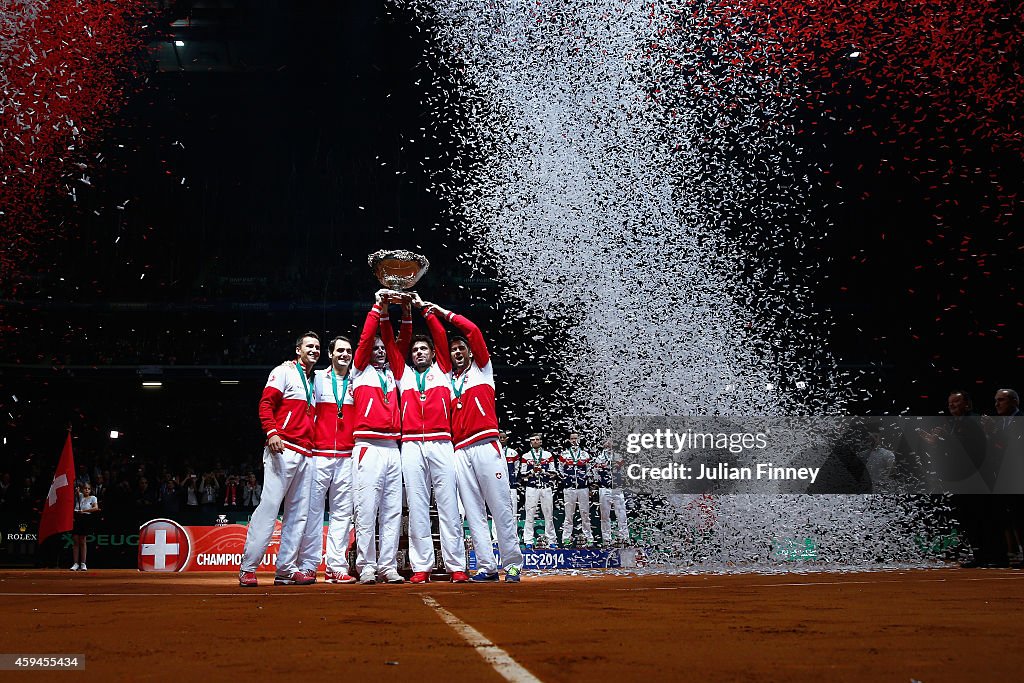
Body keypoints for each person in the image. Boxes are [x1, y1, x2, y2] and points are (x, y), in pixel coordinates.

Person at [420, 298, 523, 582]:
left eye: (461, 348)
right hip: (460, 450)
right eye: (453, 350)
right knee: (473, 511)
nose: (456, 352)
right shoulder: (447, 380)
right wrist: (427, 316)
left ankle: (512, 564)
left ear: (469, 351)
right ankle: (487, 566)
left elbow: (474, 331)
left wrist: (443, 312)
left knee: (500, 506)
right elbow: (439, 343)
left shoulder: (483, 371)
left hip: (486, 444)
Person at [382, 295, 468, 583]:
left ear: (433, 354)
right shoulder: (401, 375)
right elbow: (390, 342)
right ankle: (423, 566)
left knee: (448, 505)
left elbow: (441, 335)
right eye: (415, 349)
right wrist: (385, 310)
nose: (418, 352)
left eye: (424, 349)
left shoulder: (443, 372)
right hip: (410, 446)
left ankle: (456, 565)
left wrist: (424, 310)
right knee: (418, 505)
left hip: (441, 442)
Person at [238, 332, 320, 587]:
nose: (315, 350)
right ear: (298, 350)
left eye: (318, 347)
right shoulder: (283, 371)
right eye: (309, 346)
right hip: (282, 448)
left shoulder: (314, 381)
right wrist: (272, 432)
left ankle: (285, 569)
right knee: (269, 507)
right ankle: (248, 568)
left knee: (298, 515)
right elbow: (265, 404)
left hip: (306, 452)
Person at [350, 291, 405, 584]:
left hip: (393, 448)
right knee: (367, 508)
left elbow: (400, 343)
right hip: (368, 446)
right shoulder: (359, 372)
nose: (381, 350)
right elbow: (364, 338)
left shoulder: (392, 375)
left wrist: (397, 312)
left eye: (385, 347)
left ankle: (388, 565)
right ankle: (366, 565)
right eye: (377, 347)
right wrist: (376, 306)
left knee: (392, 510)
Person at [298, 335, 358, 584]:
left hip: (346, 456)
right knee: (312, 513)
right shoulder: (318, 378)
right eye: (340, 350)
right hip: (319, 455)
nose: (345, 354)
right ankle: (309, 565)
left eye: (348, 351)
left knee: (342, 515)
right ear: (330, 354)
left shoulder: (357, 380)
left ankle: (336, 566)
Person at [521, 433, 557, 549]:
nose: (535, 441)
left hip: (546, 487)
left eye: (537, 439)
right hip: (532, 488)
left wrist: (543, 471)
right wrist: (532, 472)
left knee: (548, 514)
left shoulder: (548, 455)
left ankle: (551, 540)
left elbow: (553, 473)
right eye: (533, 440)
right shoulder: (526, 456)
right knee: (530, 514)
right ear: (530, 442)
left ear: (541, 442)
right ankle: (528, 541)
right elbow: (522, 475)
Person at [559, 432, 595, 547]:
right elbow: (560, 470)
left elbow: (590, 471)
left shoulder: (585, 455)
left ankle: (589, 538)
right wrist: (567, 480)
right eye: (572, 439)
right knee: (568, 514)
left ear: (579, 440)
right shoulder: (564, 455)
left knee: (585, 514)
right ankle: (566, 538)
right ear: (569, 440)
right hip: (569, 489)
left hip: (583, 488)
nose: (574, 441)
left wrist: (585, 480)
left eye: (576, 438)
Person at [594, 440, 630, 546]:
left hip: (617, 489)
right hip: (604, 488)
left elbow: (625, 471)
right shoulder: (599, 458)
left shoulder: (619, 456)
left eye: (610, 443)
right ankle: (606, 539)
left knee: (621, 514)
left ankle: (624, 537)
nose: (608, 445)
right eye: (606, 443)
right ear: (603, 445)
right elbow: (595, 473)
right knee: (605, 515)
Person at [71, 482, 99, 571]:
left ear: (90, 490)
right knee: (75, 540)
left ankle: (83, 563)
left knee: (82, 541)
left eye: (88, 489)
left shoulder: (93, 498)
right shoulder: (79, 496)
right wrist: (77, 490)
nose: (87, 490)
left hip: (85, 518)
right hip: (77, 517)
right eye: (85, 488)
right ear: (82, 489)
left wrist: (83, 511)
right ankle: (75, 563)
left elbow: (96, 508)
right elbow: (75, 492)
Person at [499, 430, 520, 540]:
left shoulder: (513, 453)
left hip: (511, 487)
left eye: (504, 437)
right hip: (497, 487)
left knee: (513, 513)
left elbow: (516, 469)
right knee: (496, 513)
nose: (502, 439)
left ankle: (513, 537)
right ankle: (496, 538)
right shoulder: (494, 452)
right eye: (500, 437)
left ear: (507, 438)